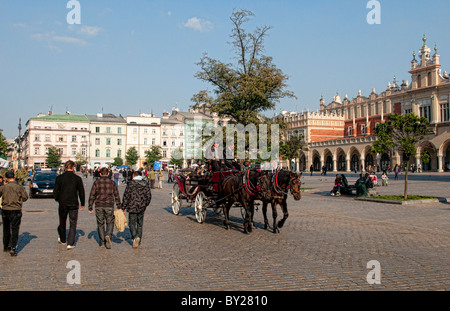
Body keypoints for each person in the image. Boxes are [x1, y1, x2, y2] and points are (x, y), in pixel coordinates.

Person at [53, 160, 85, 250]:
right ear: (73, 167)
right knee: (73, 223)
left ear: (65, 167)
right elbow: (81, 192)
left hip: (63, 203)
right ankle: (70, 243)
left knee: (62, 221)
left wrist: (57, 199)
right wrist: (82, 203)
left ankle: (63, 239)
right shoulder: (77, 179)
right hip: (73, 203)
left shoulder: (59, 178)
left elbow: (55, 191)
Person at [88, 167, 122, 249]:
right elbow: (116, 195)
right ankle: (108, 235)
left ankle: (102, 241)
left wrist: (90, 206)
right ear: (108, 174)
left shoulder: (96, 182)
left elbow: (92, 195)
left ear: (100, 174)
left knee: (100, 223)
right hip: (109, 205)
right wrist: (119, 205)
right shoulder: (112, 183)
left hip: (99, 205)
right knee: (110, 222)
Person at [0, 170, 29, 256]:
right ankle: (13, 247)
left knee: (6, 228)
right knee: (15, 228)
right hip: (16, 209)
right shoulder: (19, 187)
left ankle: (6, 246)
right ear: (14, 177)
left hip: (5, 209)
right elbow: (25, 198)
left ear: (6, 178)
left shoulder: (3, 188)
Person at [121, 171, 152, 248]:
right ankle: (139, 240)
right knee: (140, 223)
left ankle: (135, 237)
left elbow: (126, 195)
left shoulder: (130, 184)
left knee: (132, 223)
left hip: (132, 206)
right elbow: (149, 196)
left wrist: (123, 207)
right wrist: (145, 204)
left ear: (134, 176)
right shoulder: (145, 184)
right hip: (141, 207)